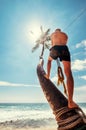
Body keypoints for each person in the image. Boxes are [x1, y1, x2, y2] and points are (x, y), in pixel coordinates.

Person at [44, 28, 78, 109]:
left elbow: (52, 44)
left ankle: (48, 75)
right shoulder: (65, 35)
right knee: (68, 73)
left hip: (55, 49)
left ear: (56, 30)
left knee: (49, 61)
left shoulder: (52, 34)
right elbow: (65, 43)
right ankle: (70, 102)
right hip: (64, 49)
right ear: (60, 30)